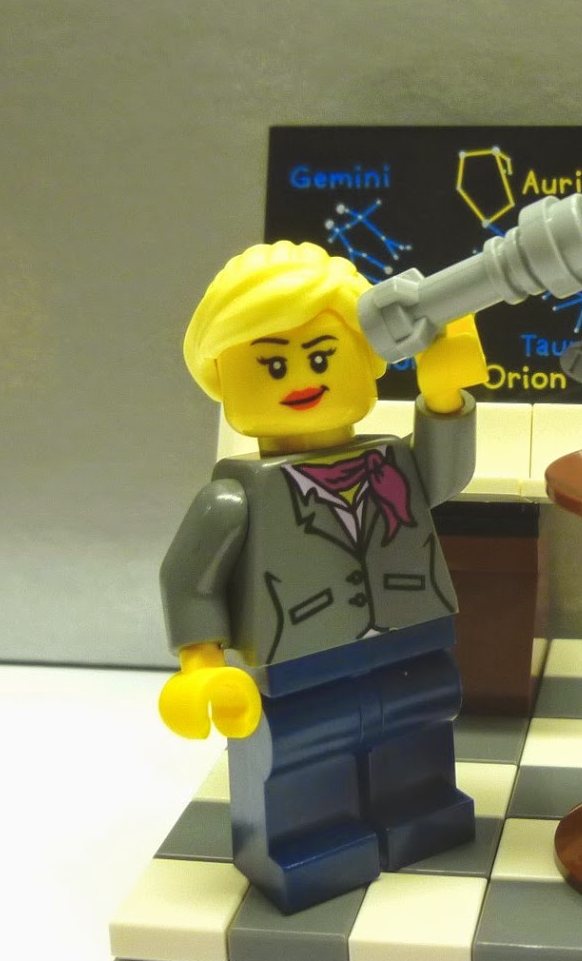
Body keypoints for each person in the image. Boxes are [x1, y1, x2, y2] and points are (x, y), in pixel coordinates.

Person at [158, 240, 485, 914]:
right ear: (223, 379)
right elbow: (190, 580)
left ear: (366, 359)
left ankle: (417, 807)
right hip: (298, 655)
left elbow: (445, 476)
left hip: (409, 633)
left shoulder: (391, 461)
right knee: (301, 745)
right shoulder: (235, 498)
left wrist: (444, 394)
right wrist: (200, 665)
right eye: (272, 364)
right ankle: (306, 839)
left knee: (418, 715)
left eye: (321, 355)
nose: (300, 378)